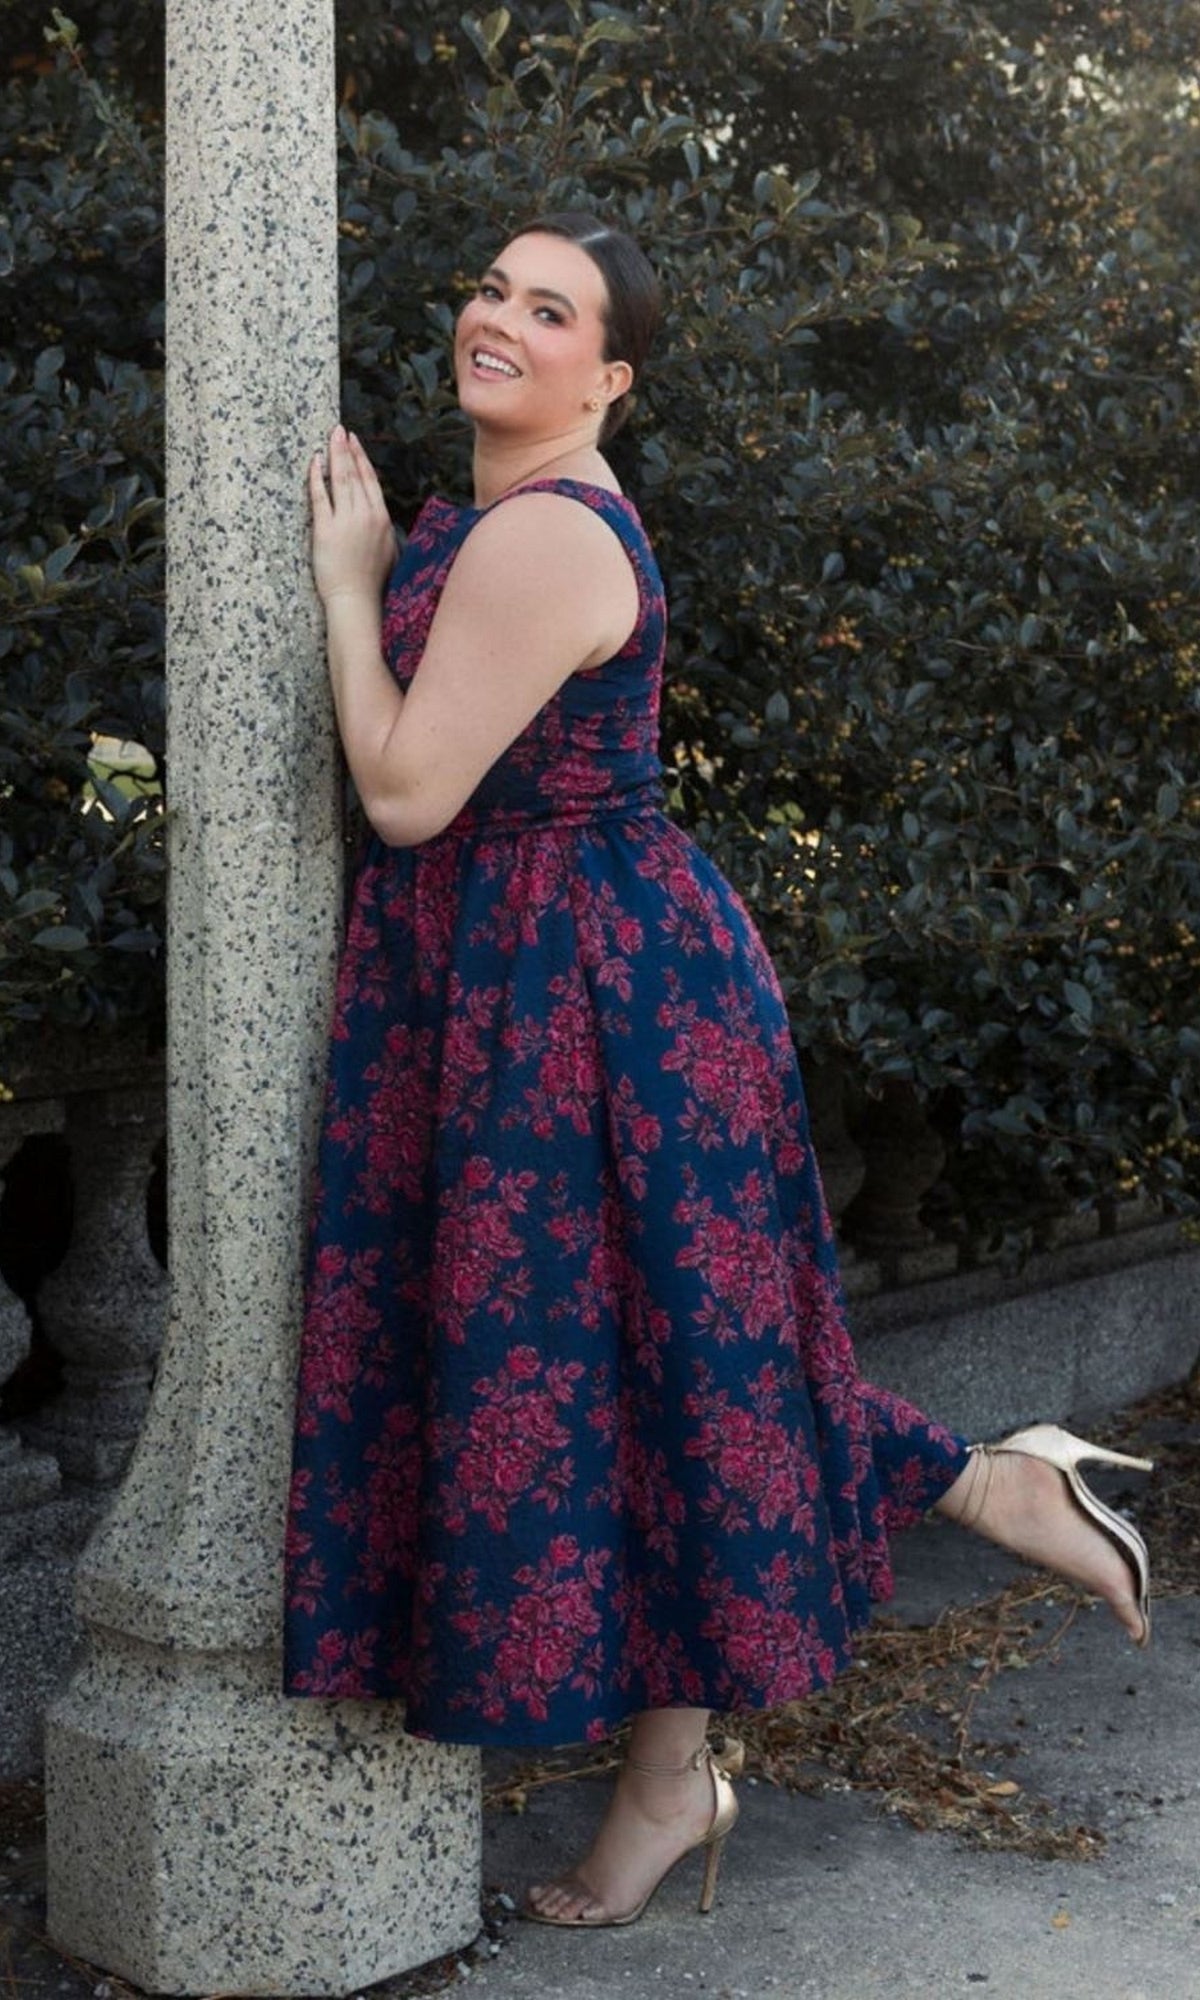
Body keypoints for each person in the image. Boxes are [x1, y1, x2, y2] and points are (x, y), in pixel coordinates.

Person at [282, 211, 1152, 1930]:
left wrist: (346, 585)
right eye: (492, 291)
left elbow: (400, 795)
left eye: (551, 312)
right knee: (673, 1369)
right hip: (558, 977)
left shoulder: (541, 541)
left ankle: (981, 1490)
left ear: (607, 377)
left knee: (680, 1370)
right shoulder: (514, 516)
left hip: (592, 1001)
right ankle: (699, 1759)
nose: (500, 322)